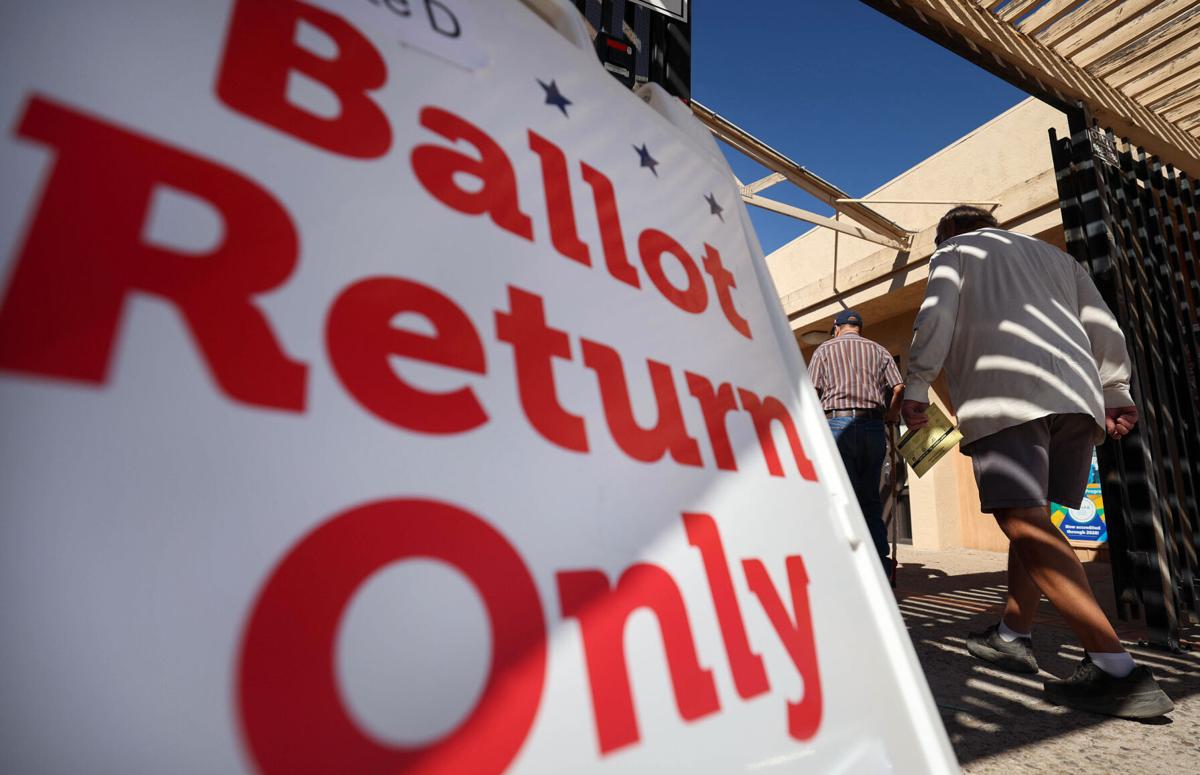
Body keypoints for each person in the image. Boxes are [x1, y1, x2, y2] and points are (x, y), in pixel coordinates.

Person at [902, 205, 1173, 719]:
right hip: (1075, 400)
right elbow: (1102, 323)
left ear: (947, 233)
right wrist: (1115, 388)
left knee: (1023, 521)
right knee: (1035, 520)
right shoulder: (1057, 259)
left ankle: (1116, 669)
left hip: (1008, 396)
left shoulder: (955, 251)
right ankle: (1013, 633)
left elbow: (935, 315)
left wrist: (917, 383)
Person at [808, 309, 904, 573]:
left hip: (837, 425)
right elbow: (898, 388)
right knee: (870, 498)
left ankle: (847, 565)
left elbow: (812, 392)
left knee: (841, 497)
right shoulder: (880, 351)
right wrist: (892, 414)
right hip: (873, 426)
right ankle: (880, 565)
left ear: (836, 327)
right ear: (859, 328)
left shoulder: (824, 351)